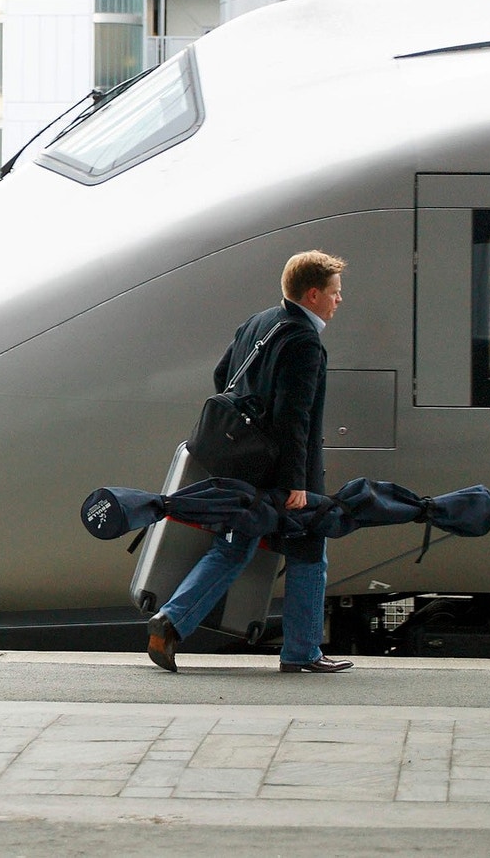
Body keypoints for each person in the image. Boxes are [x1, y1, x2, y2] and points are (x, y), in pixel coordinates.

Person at [147, 250, 353, 674]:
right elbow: (296, 418)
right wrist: (298, 483)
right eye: (334, 293)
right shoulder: (304, 341)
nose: (339, 300)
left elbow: (224, 375)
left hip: (246, 465)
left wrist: (250, 428)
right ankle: (302, 652)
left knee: (234, 545)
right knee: (310, 549)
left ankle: (169, 621)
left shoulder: (259, 322)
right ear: (312, 294)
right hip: (285, 473)